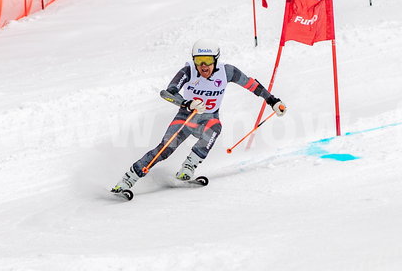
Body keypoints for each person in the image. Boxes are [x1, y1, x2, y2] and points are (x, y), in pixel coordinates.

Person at [112, 39, 286, 193]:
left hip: (208, 118)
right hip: (186, 117)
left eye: (208, 61)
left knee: (215, 127)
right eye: (199, 61)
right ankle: (127, 180)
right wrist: (187, 104)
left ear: (216, 60)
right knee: (165, 149)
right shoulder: (188, 71)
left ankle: (188, 168)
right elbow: (167, 93)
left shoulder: (227, 72)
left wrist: (272, 101)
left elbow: (251, 85)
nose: (203, 66)